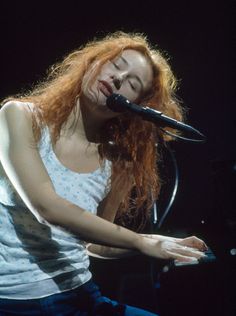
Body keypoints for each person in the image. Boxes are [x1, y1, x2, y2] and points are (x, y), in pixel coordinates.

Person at [0, 31, 207, 315]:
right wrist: (140, 240)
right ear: (93, 62)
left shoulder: (117, 160)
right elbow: (45, 206)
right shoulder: (19, 116)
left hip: (81, 295)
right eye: (116, 64)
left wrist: (163, 245)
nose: (118, 78)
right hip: (15, 303)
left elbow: (92, 243)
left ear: (135, 106)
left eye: (133, 83)